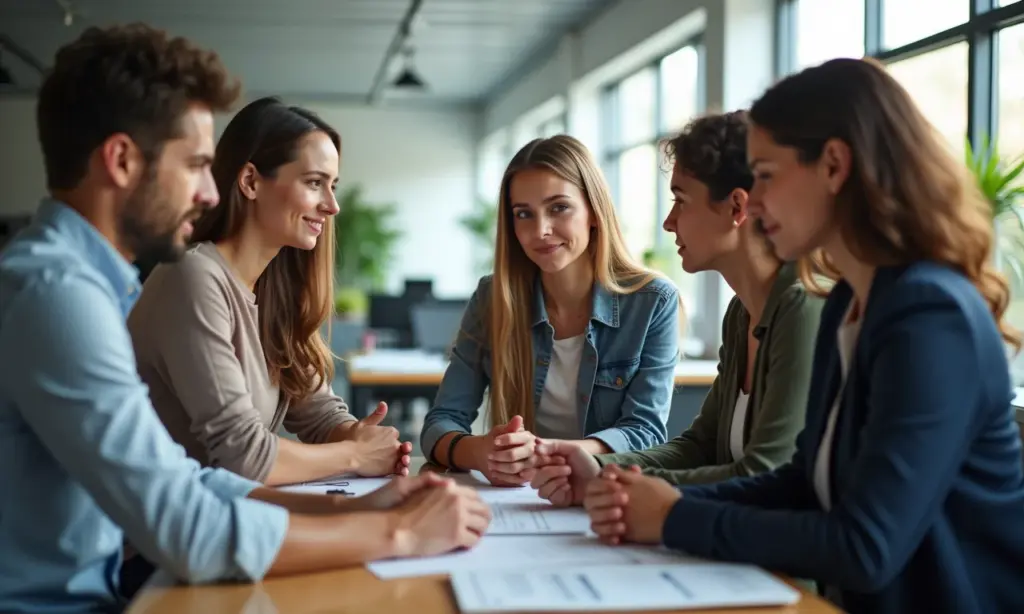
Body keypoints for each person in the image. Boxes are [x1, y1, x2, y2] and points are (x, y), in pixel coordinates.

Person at [0, 24, 489, 614]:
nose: (210, 191)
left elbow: (186, 481)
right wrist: (402, 534)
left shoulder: (89, 286)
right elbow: (184, 526)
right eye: (196, 165)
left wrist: (361, 506)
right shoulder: (58, 296)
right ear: (123, 160)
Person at [583, 58, 1024, 614]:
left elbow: (864, 545)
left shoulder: (930, 315)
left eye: (766, 174)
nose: (755, 198)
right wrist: (648, 498)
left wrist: (674, 516)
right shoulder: (851, 301)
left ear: (834, 165)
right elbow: (802, 482)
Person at [529, 112, 823, 506]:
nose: (669, 222)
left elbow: (765, 475)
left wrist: (617, 486)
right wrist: (595, 467)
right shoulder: (742, 313)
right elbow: (700, 446)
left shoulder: (802, 308)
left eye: (680, 200)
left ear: (737, 206)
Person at [127, 97, 409, 486]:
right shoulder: (192, 278)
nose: (332, 206)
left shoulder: (275, 289)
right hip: (160, 538)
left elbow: (318, 413)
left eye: (333, 186)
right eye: (314, 183)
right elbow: (243, 457)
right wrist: (356, 454)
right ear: (251, 181)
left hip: (225, 520)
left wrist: (361, 437)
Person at [420, 135, 680, 486]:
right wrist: (482, 453)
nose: (540, 230)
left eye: (559, 208)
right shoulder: (493, 298)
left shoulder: (653, 301)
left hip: (605, 489)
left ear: (593, 211)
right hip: (521, 499)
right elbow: (441, 422)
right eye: (523, 214)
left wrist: (550, 451)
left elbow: (645, 432)